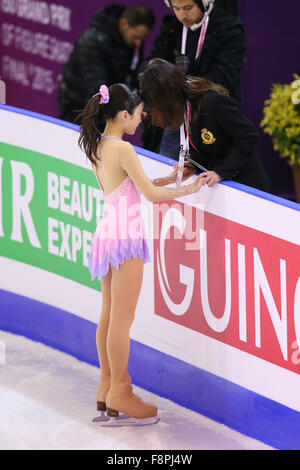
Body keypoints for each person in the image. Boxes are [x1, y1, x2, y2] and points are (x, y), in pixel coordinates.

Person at [77, 83, 204, 426]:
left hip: (107, 233)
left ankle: (106, 387)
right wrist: (190, 188)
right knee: (122, 318)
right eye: (137, 113)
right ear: (122, 115)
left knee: (108, 314)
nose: (142, 117)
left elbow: (130, 185)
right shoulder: (124, 149)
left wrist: (169, 178)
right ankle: (121, 388)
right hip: (126, 237)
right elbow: (148, 195)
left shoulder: (100, 146)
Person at [139, 58, 270, 192]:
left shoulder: (212, 102)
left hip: (247, 187)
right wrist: (194, 163)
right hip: (222, 189)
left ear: (165, 98)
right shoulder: (185, 107)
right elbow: (210, 146)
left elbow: (249, 136)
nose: (153, 111)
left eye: (154, 105)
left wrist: (220, 172)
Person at [140, 0, 246, 157]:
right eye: (176, 8)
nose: (182, 15)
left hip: (210, 116)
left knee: (206, 177)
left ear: (204, 3)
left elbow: (223, 77)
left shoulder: (228, 30)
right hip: (174, 117)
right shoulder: (171, 28)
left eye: (188, 8)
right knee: (166, 171)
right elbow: (152, 63)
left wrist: (179, 88)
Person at [58, 4, 155, 124]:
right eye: (136, 37)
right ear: (123, 24)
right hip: (78, 108)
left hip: (105, 107)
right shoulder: (92, 43)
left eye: (142, 39)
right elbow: (98, 88)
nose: (139, 43)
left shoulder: (130, 41)